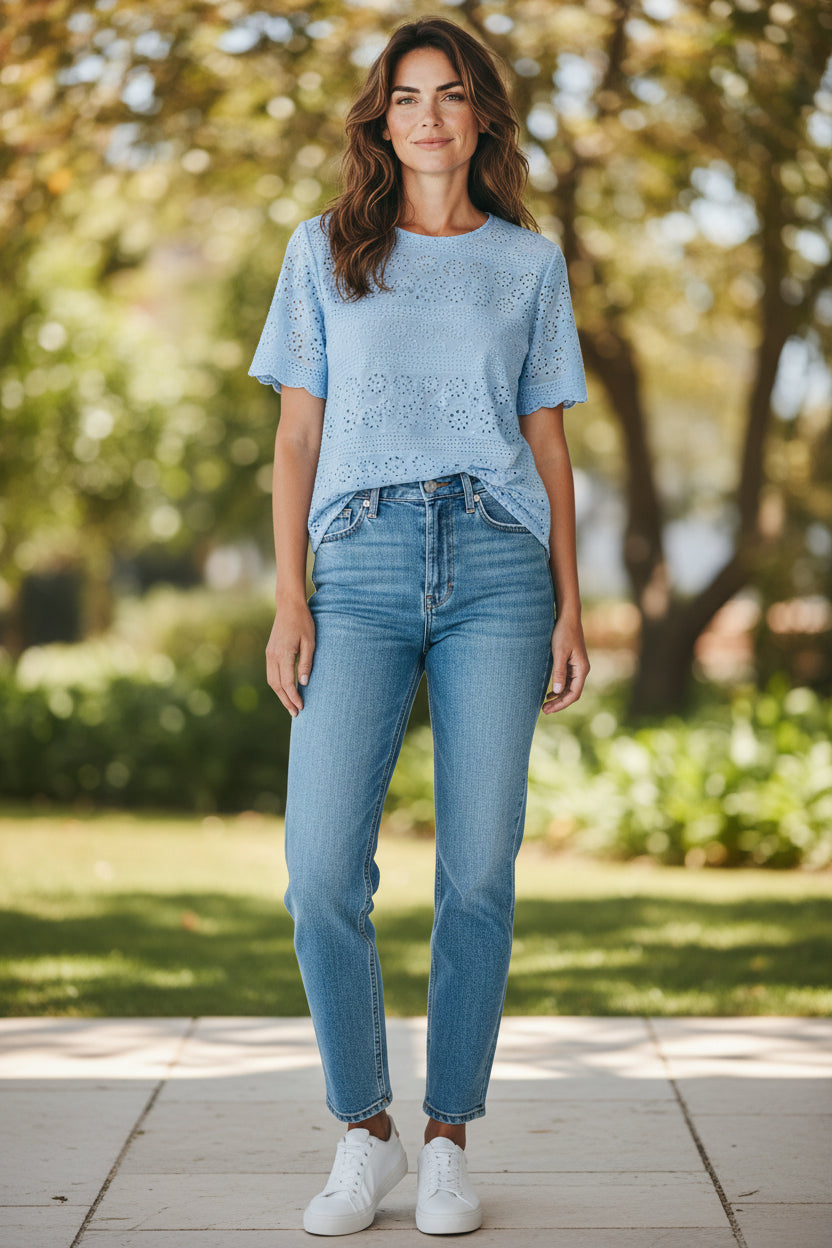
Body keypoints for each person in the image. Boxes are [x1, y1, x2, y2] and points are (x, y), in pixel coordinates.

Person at [248, 14, 589, 1237]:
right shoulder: (324, 250)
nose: (428, 116)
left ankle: (447, 1137)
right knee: (318, 875)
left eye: (449, 94)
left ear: (479, 114)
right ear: (381, 119)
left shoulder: (527, 264)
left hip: (500, 566)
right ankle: (367, 1132)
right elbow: (297, 435)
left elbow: (548, 442)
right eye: (406, 97)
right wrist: (290, 595)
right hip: (359, 562)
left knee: (478, 872)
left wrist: (571, 603)